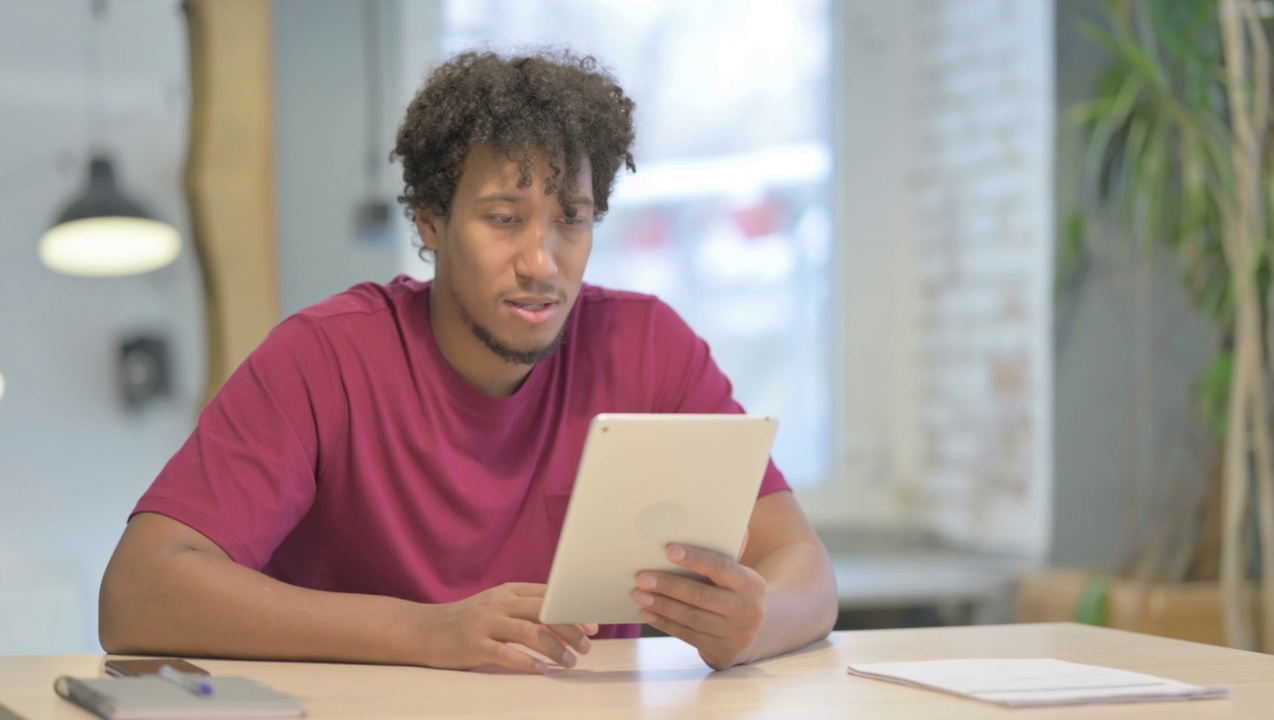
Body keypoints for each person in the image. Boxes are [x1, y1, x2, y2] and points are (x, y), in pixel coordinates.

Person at [99, 49, 837, 674]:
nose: (542, 262)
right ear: (431, 220)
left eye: (571, 220)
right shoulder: (323, 359)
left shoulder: (649, 348)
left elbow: (805, 569)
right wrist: (425, 633)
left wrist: (755, 620)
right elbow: (138, 593)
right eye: (505, 219)